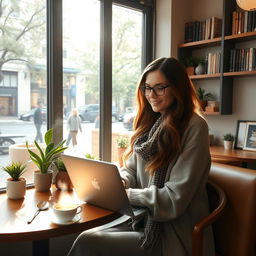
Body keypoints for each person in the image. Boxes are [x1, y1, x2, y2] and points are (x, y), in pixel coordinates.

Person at [68, 57, 215, 256]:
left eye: (159, 87)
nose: (151, 95)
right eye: (147, 88)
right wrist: (122, 180)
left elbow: (174, 199)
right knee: (86, 236)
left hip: (173, 232)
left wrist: (128, 195)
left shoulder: (195, 126)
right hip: (143, 219)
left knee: (87, 242)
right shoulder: (152, 124)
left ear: (178, 88)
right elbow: (130, 169)